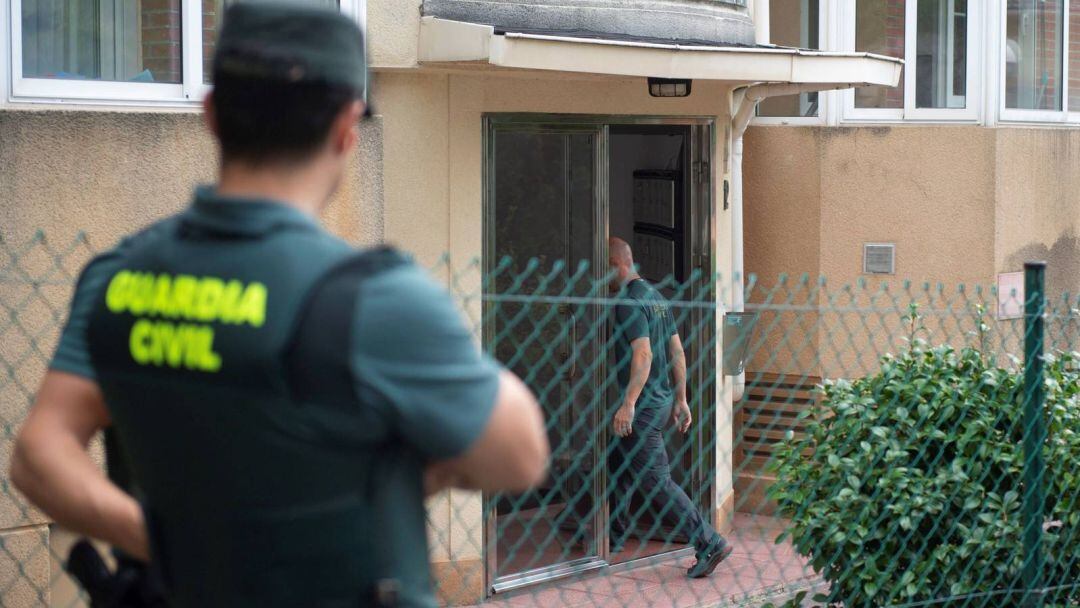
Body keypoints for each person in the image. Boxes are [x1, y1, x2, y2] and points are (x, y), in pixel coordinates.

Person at [9, 5, 549, 607]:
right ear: (347, 127)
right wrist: (394, 473)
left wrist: (176, 544)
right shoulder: (376, 302)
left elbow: (40, 457)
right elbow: (520, 454)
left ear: (211, 115)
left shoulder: (116, 280)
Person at [607, 237, 731, 578]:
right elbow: (677, 351)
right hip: (662, 401)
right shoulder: (656, 297)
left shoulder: (629, 303)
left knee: (657, 481)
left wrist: (628, 404)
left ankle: (708, 542)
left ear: (615, 266)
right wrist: (680, 398)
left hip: (644, 407)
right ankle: (611, 536)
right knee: (617, 462)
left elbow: (643, 354)